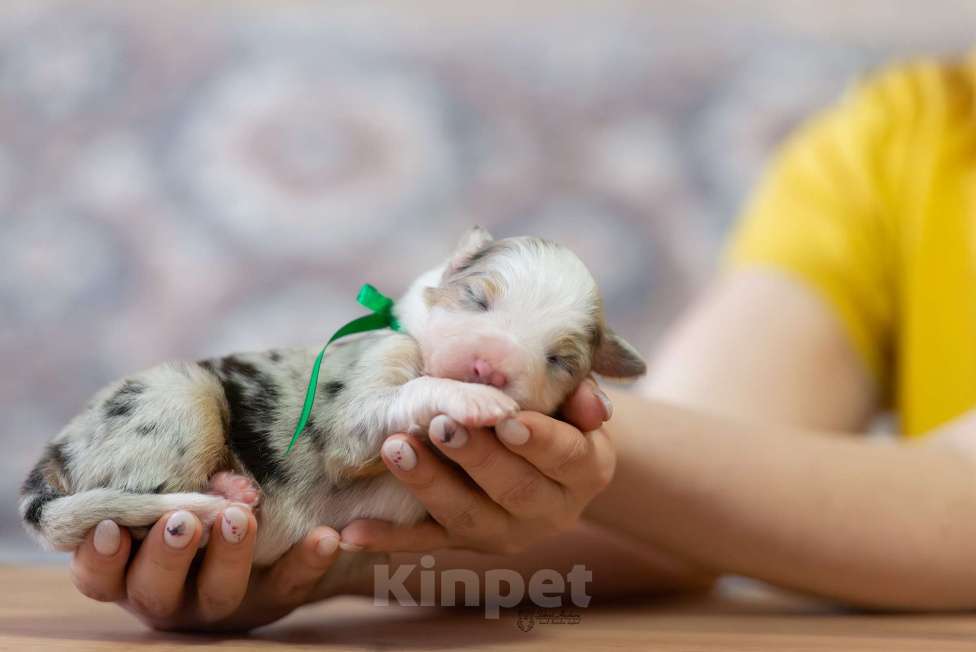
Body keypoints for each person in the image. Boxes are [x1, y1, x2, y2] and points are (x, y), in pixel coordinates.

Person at [70, 55, 976, 631]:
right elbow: (702, 512)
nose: (498, 366)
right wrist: (330, 553)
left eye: (559, 364)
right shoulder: (904, 134)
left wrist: (450, 396)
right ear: (454, 270)